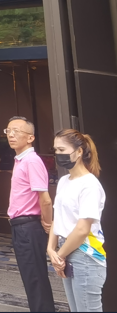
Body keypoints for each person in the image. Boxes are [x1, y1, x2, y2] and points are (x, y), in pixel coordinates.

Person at [48, 128, 106, 312]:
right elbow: (57, 218)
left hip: (85, 253)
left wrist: (59, 255)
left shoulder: (90, 185)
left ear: (79, 151)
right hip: (65, 250)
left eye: (62, 150)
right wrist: (50, 249)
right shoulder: (64, 181)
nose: (58, 154)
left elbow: (82, 229)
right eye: (55, 150)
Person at [4, 116, 55, 312]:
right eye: (8, 131)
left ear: (31, 137)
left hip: (29, 226)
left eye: (16, 131)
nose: (11, 135)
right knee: (32, 279)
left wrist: (48, 226)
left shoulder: (32, 161)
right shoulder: (21, 160)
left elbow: (45, 199)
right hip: (21, 226)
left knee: (35, 280)